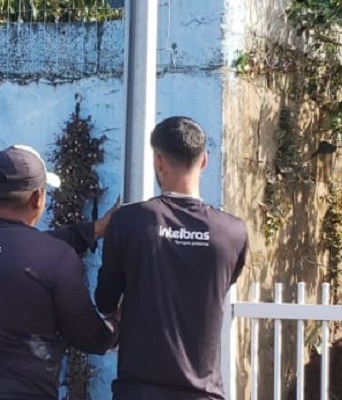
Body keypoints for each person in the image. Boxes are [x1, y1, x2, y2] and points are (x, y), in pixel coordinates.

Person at [0, 144, 119, 400]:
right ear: (37, 198)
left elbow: (17, 251)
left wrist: (94, 230)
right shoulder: (54, 258)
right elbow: (91, 338)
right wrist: (118, 323)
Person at [95, 116, 249, 400]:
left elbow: (105, 300)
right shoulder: (233, 232)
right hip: (203, 393)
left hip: (138, 391)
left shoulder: (128, 222)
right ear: (204, 161)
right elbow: (221, 286)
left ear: (158, 161)